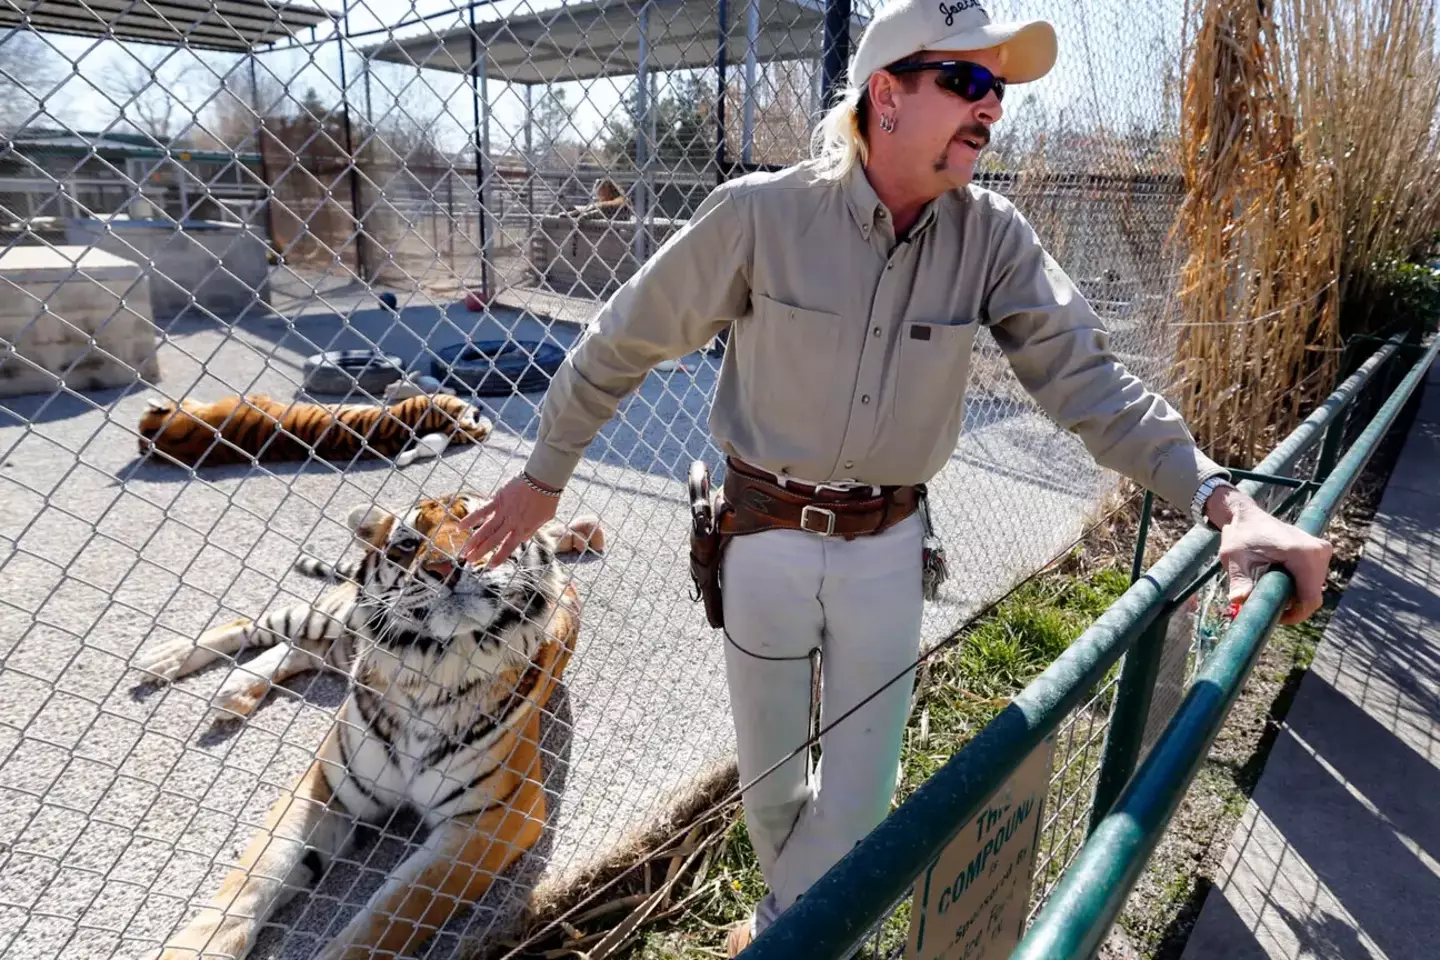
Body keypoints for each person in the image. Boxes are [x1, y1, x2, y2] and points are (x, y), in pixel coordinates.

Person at [457, 0, 1334, 952]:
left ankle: (786, 934)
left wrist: (1225, 500)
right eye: (965, 81)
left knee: (862, 800)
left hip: (887, 552)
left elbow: (1092, 384)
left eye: (997, 89)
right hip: (761, 543)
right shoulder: (762, 216)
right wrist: (544, 475)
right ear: (885, 95)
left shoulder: (993, 236)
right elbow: (619, 341)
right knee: (773, 791)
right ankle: (795, 919)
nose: (990, 107)